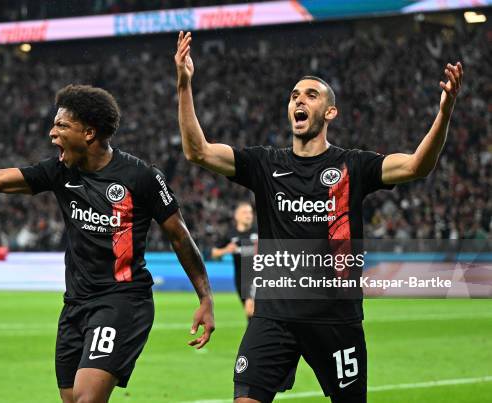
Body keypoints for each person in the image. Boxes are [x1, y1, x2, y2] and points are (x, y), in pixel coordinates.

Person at [174, 31, 462, 403]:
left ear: (330, 112)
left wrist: (444, 112)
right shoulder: (265, 164)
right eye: (294, 95)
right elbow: (198, 152)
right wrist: (184, 84)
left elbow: (416, 166)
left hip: (335, 318)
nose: (299, 99)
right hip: (273, 316)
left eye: (310, 95)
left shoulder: (353, 165)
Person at [0, 84, 215, 403]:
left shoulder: (140, 176)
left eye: (61, 125)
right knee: (71, 399)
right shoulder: (59, 171)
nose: (52, 133)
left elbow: (179, 234)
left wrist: (205, 297)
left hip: (122, 301)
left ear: (89, 133)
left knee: (86, 398)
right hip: (75, 305)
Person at [211, 201, 257, 318]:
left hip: (258, 276)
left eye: (250, 212)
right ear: (236, 215)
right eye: (245, 212)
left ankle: (254, 335)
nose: (248, 215)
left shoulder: (258, 231)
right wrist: (226, 250)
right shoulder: (230, 234)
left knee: (250, 309)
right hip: (240, 279)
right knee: (250, 314)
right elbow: (214, 253)